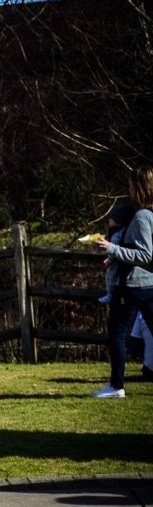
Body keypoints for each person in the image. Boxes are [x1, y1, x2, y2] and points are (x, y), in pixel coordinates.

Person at [93, 166, 153, 398]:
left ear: (139, 187)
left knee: (116, 332)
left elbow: (145, 254)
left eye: (130, 185)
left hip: (135, 285)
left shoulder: (141, 217)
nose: (128, 189)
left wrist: (112, 248)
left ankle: (117, 385)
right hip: (148, 284)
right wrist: (115, 255)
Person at [98, 201, 134, 303]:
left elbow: (114, 248)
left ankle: (110, 294)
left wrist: (109, 260)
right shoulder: (126, 231)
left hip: (117, 263)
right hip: (123, 262)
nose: (109, 220)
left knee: (111, 276)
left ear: (118, 219)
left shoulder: (117, 234)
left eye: (112, 218)